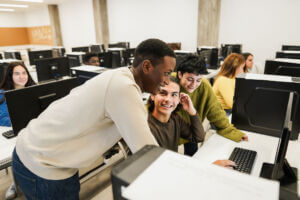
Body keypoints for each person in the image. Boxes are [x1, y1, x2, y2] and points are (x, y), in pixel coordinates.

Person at [12, 38, 176, 199]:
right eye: (166, 73)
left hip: (46, 156)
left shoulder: (120, 76)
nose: (167, 81)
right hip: (41, 163)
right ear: (147, 66)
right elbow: (148, 153)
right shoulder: (123, 88)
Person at [147, 76, 236, 168]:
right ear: (152, 95)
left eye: (174, 95)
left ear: (178, 100)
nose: (168, 99)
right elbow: (160, 168)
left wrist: (191, 111)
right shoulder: (146, 125)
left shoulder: (175, 119)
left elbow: (198, 137)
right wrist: (210, 168)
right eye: (163, 93)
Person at [175, 54, 248, 156]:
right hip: (172, 131)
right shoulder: (171, 83)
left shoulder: (204, 85)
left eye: (198, 80)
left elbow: (215, 109)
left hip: (193, 128)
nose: (193, 85)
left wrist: (230, 130)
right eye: (189, 79)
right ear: (179, 74)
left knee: (193, 155)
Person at [0, 62, 36, 126]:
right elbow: (2, 119)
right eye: (17, 74)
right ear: (10, 76)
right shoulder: (3, 94)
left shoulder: (34, 89)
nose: (21, 77)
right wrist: (23, 122)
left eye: (24, 73)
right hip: (16, 129)